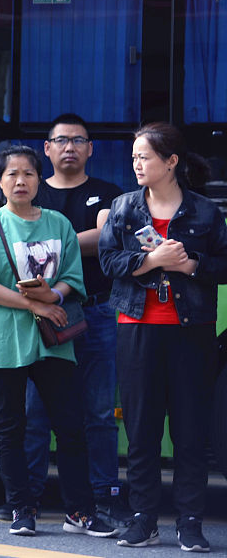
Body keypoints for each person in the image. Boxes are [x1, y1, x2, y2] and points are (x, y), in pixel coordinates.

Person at [0, 145, 116, 539]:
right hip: (4, 340)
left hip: (53, 340)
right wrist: (37, 305)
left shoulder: (58, 223)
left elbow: (73, 279)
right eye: (12, 174)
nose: (20, 181)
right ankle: (22, 507)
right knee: (11, 426)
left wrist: (55, 297)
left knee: (70, 426)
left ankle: (79, 511)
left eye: (28, 173)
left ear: (38, 180)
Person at [98, 123, 227, 552]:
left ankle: (190, 522)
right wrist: (152, 259)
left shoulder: (205, 211)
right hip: (136, 327)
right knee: (142, 431)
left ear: (171, 162)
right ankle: (144, 519)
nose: (136, 163)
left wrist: (190, 265)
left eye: (145, 156)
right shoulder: (123, 207)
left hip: (191, 332)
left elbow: (224, 264)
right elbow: (108, 262)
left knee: (190, 431)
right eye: (134, 156)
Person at [15, 114, 124, 523]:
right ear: (47, 149)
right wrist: (72, 243)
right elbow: (16, 243)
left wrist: (48, 246)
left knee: (99, 412)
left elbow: (106, 238)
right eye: (61, 140)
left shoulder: (107, 193)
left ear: (90, 149)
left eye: (78, 141)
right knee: (36, 412)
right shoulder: (31, 191)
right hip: (41, 315)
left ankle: (102, 495)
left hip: (97, 311)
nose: (69, 147)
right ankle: (27, 497)